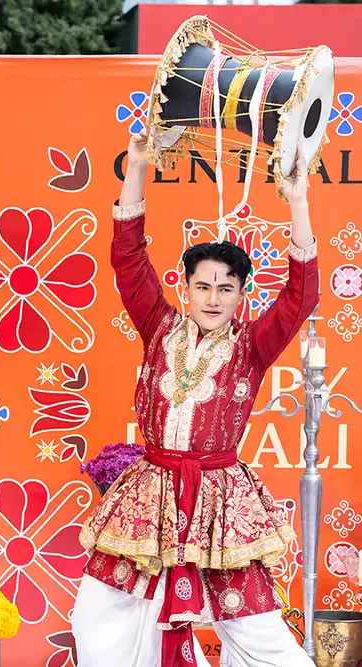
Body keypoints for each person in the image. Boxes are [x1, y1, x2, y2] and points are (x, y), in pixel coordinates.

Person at [71, 129, 318, 667]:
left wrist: (297, 200)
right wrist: (138, 166)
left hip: (220, 499)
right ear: (184, 287)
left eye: (226, 288)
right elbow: (127, 260)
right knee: (96, 613)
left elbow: (301, 297)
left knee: (256, 631)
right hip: (151, 494)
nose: (212, 298)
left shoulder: (253, 345)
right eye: (202, 286)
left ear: (242, 294)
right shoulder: (158, 326)